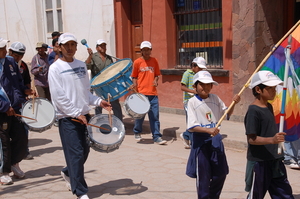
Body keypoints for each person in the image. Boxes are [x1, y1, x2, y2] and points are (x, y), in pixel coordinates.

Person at [48, 33, 111, 199]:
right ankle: (80, 191)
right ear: (60, 47)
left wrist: (98, 102)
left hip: (84, 116)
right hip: (67, 118)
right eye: (66, 45)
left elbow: (85, 92)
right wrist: (75, 113)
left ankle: (68, 172)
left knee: (84, 151)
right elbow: (58, 97)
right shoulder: (55, 68)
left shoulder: (82, 65)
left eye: (72, 45)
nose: (69, 48)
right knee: (75, 154)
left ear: (76, 47)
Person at [185, 71, 240, 199]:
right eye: (202, 84)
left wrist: (234, 103)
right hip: (201, 143)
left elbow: (226, 114)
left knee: (220, 173)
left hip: (215, 141)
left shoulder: (215, 98)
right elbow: (192, 126)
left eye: (208, 84)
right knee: (203, 178)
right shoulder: (192, 102)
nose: (205, 87)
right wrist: (208, 130)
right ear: (195, 86)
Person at [244, 70, 294, 199]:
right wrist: (272, 140)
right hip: (259, 162)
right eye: (270, 88)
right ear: (258, 90)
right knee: (256, 195)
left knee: (284, 193)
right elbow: (252, 139)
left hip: (275, 159)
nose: (274, 90)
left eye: (274, 87)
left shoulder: (269, 107)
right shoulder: (253, 111)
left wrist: (276, 138)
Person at [0, 37, 35, 185]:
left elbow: (18, 83)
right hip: (2, 111)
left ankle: (14, 164)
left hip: (16, 108)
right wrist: (4, 107)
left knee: (21, 138)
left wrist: (26, 91)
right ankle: (3, 171)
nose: (6, 50)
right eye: (2, 48)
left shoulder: (11, 63)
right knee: (4, 142)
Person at [130, 41, 167, 145]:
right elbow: (134, 76)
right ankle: (137, 132)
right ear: (141, 51)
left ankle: (156, 136)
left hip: (153, 93)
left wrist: (156, 80)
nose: (146, 52)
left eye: (148, 49)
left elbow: (157, 74)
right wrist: (135, 86)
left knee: (154, 116)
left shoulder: (154, 61)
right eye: (144, 50)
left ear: (151, 50)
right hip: (141, 93)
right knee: (140, 115)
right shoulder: (137, 62)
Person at [7, 41, 34, 160]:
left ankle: (24, 151)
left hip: (20, 102)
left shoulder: (22, 66)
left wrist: (28, 91)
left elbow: (25, 81)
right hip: (6, 105)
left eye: (20, 55)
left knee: (23, 129)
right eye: (16, 55)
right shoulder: (4, 65)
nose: (18, 58)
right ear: (10, 52)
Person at [85, 39, 123, 121]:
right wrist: (89, 56)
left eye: (104, 45)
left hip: (109, 85)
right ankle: (99, 122)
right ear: (97, 48)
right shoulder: (93, 57)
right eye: (101, 45)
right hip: (98, 86)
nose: (103, 47)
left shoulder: (109, 58)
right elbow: (86, 66)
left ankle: (120, 122)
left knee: (115, 104)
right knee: (99, 105)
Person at [180, 57, 207, 149]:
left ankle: (186, 136)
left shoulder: (200, 75)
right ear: (193, 65)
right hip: (188, 102)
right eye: (199, 68)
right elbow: (182, 87)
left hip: (197, 102)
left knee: (198, 121)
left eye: (202, 68)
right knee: (192, 122)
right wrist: (193, 91)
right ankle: (193, 142)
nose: (200, 70)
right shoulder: (187, 74)